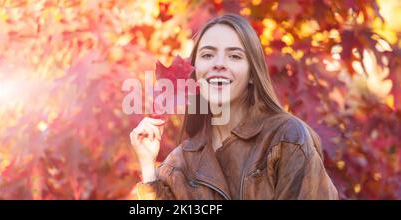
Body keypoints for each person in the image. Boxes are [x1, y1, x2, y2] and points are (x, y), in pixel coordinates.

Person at [129, 14, 338, 200]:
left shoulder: (286, 138)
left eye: (235, 56)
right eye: (208, 55)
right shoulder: (179, 163)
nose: (218, 64)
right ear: (194, 73)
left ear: (252, 75)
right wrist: (148, 167)